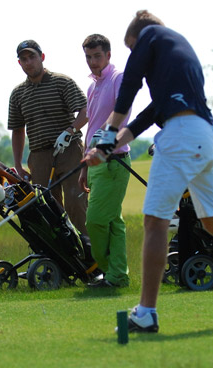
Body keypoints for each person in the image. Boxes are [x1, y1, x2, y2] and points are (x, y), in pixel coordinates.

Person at [84, 11, 213, 332]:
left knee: (154, 222)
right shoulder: (176, 55)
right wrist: (109, 147)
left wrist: (107, 137)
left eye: (130, 47)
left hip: (181, 136)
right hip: (205, 136)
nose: (132, 53)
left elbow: (127, 88)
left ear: (139, 37)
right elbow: (150, 113)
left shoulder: (150, 35)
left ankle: (146, 313)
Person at [8, 40, 89, 236]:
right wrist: (18, 165)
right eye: (24, 59)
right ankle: (62, 258)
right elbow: (17, 130)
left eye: (32, 57)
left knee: (75, 202)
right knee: (47, 208)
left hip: (69, 150)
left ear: (42, 57)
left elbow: (86, 111)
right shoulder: (18, 94)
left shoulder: (62, 82)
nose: (29, 63)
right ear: (19, 63)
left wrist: (69, 131)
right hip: (39, 155)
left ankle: (90, 253)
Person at [78, 34, 132, 288]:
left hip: (114, 160)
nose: (92, 61)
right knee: (112, 222)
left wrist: (105, 142)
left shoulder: (117, 78)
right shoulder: (92, 86)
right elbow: (91, 128)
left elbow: (123, 110)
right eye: (88, 57)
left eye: (97, 56)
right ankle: (116, 275)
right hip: (94, 163)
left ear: (108, 55)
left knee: (96, 221)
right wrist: (83, 166)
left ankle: (111, 272)